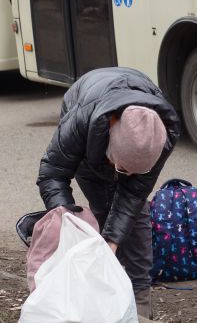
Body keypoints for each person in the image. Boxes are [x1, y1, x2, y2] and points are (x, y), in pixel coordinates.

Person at [36, 67, 181, 317]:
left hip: (125, 100)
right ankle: (101, 287)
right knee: (103, 203)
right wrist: (68, 220)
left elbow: (133, 196)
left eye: (133, 171)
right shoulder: (80, 123)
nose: (123, 175)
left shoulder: (160, 135)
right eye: (121, 167)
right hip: (86, 103)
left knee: (136, 211)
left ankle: (139, 294)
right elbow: (52, 173)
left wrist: (112, 241)